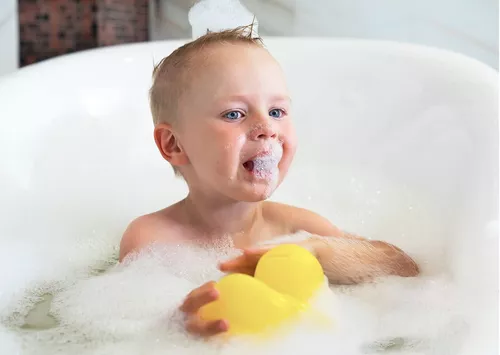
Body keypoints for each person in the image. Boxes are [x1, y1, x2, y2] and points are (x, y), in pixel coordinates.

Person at [119, 25, 419, 338]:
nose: (267, 127)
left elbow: (402, 268)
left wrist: (319, 252)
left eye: (277, 111)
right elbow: (128, 325)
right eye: (234, 114)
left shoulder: (296, 229)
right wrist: (177, 323)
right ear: (174, 145)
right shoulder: (152, 239)